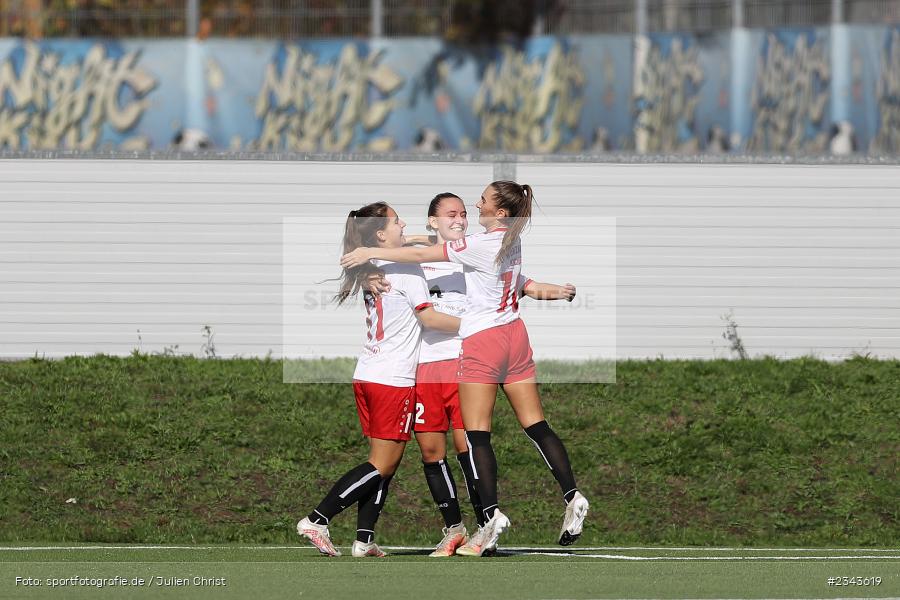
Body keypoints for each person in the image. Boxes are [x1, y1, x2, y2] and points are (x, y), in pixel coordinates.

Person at [341, 182, 589, 557]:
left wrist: (370, 252)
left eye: (473, 206)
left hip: (476, 347)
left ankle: (487, 521)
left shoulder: (472, 245)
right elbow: (515, 281)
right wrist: (370, 270)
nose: (468, 211)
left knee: (473, 438)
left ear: (498, 212)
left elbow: (499, 274)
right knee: (515, 431)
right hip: (481, 346)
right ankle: (561, 498)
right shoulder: (491, 241)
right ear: (434, 220)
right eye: (452, 213)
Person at [297, 202, 460, 558]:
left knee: (383, 460)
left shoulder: (372, 266)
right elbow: (430, 320)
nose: (404, 223)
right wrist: (476, 324)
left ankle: (364, 539)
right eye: (396, 220)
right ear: (381, 234)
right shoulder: (404, 269)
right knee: (382, 464)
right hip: (393, 379)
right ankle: (317, 518)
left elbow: (412, 247)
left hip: (367, 374)